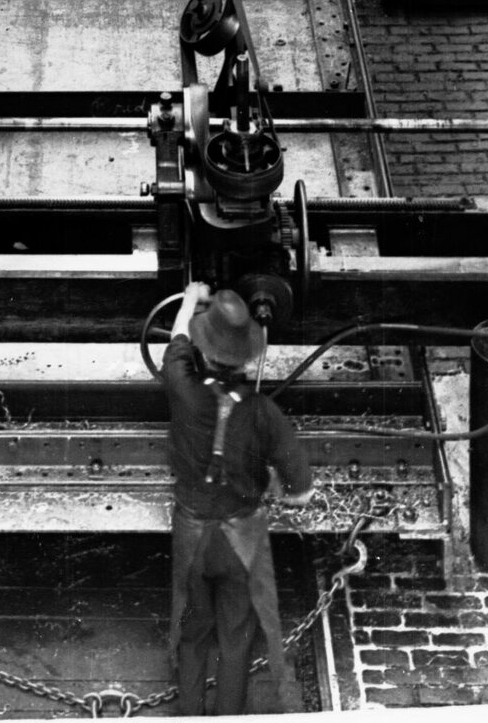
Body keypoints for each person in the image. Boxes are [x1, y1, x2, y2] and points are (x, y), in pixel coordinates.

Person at [163, 281, 314, 715]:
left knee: (193, 632)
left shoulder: (182, 387)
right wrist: (279, 491)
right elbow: (301, 494)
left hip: (192, 533)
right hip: (240, 539)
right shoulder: (264, 414)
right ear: (246, 357)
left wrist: (191, 299)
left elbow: (176, 341)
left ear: (205, 352)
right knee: (236, 634)